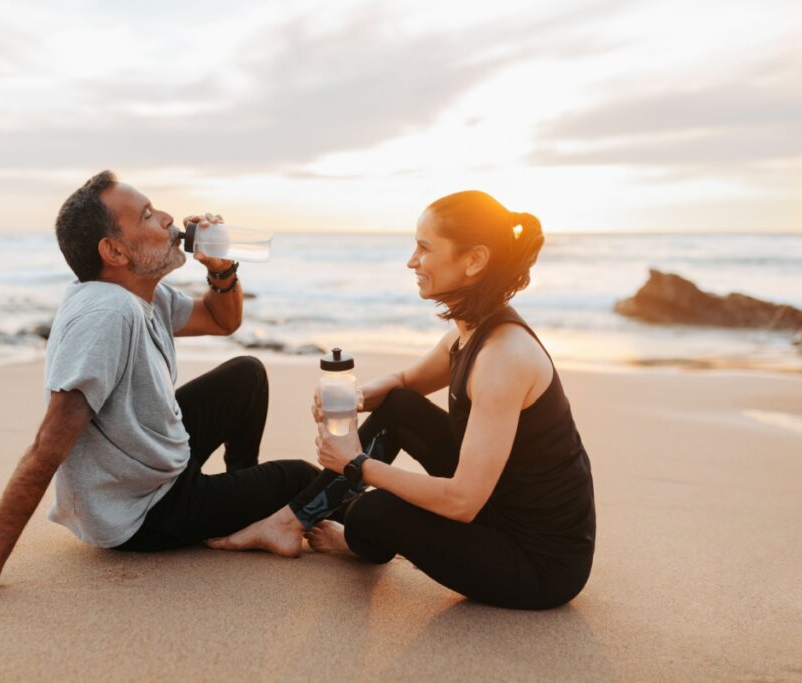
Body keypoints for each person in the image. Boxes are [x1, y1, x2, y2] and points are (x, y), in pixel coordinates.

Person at [0, 171, 318, 606]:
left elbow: (223, 320)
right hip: (142, 511)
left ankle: (244, 507)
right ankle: (251, 510)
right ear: (115, 251)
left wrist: (222, 269)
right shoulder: (107, 314)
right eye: (147, 216)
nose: (169, 218)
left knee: (247, 374)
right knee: (303, 479)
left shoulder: (140, 293)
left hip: (153, 464)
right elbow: (47, 448)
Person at [208, 190, 596, 610]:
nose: (412, 261)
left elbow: (463, 501)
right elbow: (405, 381)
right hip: (498, 507)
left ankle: (341, 534)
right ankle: (292, 521)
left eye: (424, 248)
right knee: (399, 405)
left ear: (474, 260)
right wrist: (356, 398)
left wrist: (357, 464)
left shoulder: (503, 359)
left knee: (374, 512)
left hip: (537, 563)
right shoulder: (470, 333)